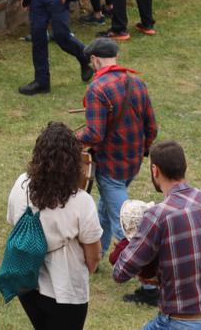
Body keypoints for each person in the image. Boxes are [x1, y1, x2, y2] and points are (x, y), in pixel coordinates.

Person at [112, 139, 201, 330]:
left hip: (181, 322)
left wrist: (130, 242)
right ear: (184, 167)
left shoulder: (158, 216)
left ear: (155, 170)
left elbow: (120, 272)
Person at [4, 122, 101, 330]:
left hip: (26, 282)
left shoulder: (22, 184)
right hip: (66, 293)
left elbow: (13, 221)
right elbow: (93, 258)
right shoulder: (82, 202)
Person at [77, 35, 156, 257]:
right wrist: (143, 150)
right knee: (105, 208)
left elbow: (94, 134)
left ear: (94, 60)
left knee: (126, 226)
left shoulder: (97, 89)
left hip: (110, 167)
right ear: (116, 57)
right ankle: (95, 255)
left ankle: (149, 284)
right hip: (132, 164)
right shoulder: (137, 82)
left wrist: (71, 140)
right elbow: (152, 127)